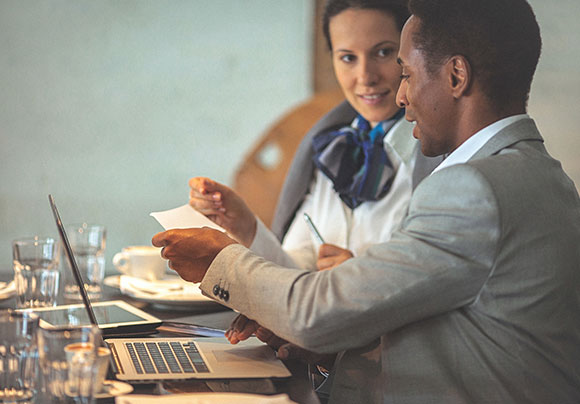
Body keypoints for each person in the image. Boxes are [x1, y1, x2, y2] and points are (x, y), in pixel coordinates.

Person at [154, 0, 580, 402]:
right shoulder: (543, 175)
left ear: (455, 77)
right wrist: (335, 351)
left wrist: (220, 259)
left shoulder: (472, 188)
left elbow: (319, 314)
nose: (398, 95)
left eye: (407, 74)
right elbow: (460, 337)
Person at [189, 0, 441, 274]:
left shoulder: (437, 159)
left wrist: (363, 278)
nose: (365, 76)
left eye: (383, 52)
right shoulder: (330, 149)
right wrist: (245, 226)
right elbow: (294, 274)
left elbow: (440, 283)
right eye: (348, 58)